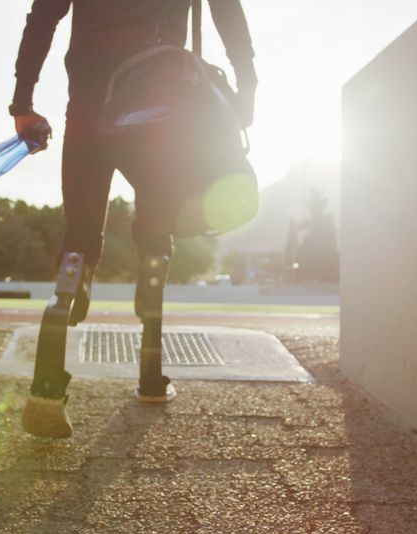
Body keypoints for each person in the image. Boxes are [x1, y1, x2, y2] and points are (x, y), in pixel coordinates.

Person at [14, 0, 257, 438]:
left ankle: (46, 388)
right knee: (156, 221)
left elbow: (44, 15)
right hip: (160, 90)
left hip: (90, 93)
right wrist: (247, 88)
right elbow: (227, 9)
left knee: (81, 231)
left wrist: (23, 101)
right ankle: (150, 374)